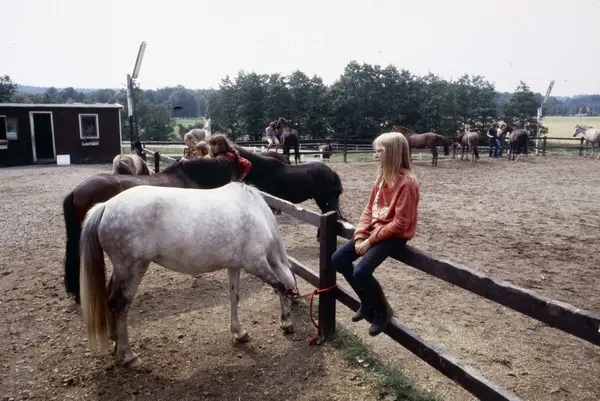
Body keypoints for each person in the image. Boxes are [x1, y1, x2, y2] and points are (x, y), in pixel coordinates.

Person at [331, 131, 420, 337]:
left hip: (395, 234)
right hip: (375, 230)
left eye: (379, 151)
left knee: (362, 271)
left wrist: (370, 241)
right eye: (375, 151)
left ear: (393, 153)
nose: (375, 155)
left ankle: (382, 310)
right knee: (338, 259)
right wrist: (361, 235)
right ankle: (367, 301)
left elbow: (400, 223)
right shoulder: (382, 177)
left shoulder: (407, 183)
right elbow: (369, 209)